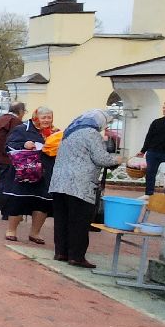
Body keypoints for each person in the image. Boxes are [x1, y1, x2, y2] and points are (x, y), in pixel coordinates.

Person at [49, 109, 125, 268]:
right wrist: (117, 159)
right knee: (79, 220)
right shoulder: (91, 133)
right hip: (79, 184)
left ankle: (61, 252)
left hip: (59, 181)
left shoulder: (69, 132)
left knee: (62, 218)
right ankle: (76, 256)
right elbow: (101, 158)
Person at [1, 105, 55, 244]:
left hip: (45, 173)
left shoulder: (54, 132)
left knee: (42, 202)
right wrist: (24, 145)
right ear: (36, 117)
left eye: (49, 117)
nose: (47, 120)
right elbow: (9, 146)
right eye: (44, 117)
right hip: (25, 172)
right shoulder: (22, 129)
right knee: (18, 201)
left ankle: (35, 233)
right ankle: (11, 231)